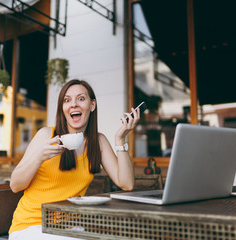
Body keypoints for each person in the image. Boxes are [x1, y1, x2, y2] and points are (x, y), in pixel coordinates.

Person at [8, 79, 140, 239]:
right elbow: (15, 185)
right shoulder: (46, 135)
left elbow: (126, 183)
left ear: (92, 105)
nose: (74, 104)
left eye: (81, 98)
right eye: (67, 100)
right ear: (62, 108)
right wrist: (39, 157)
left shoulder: (98, 142)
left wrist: (121, 140)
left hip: (69, 228)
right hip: (31, 226)